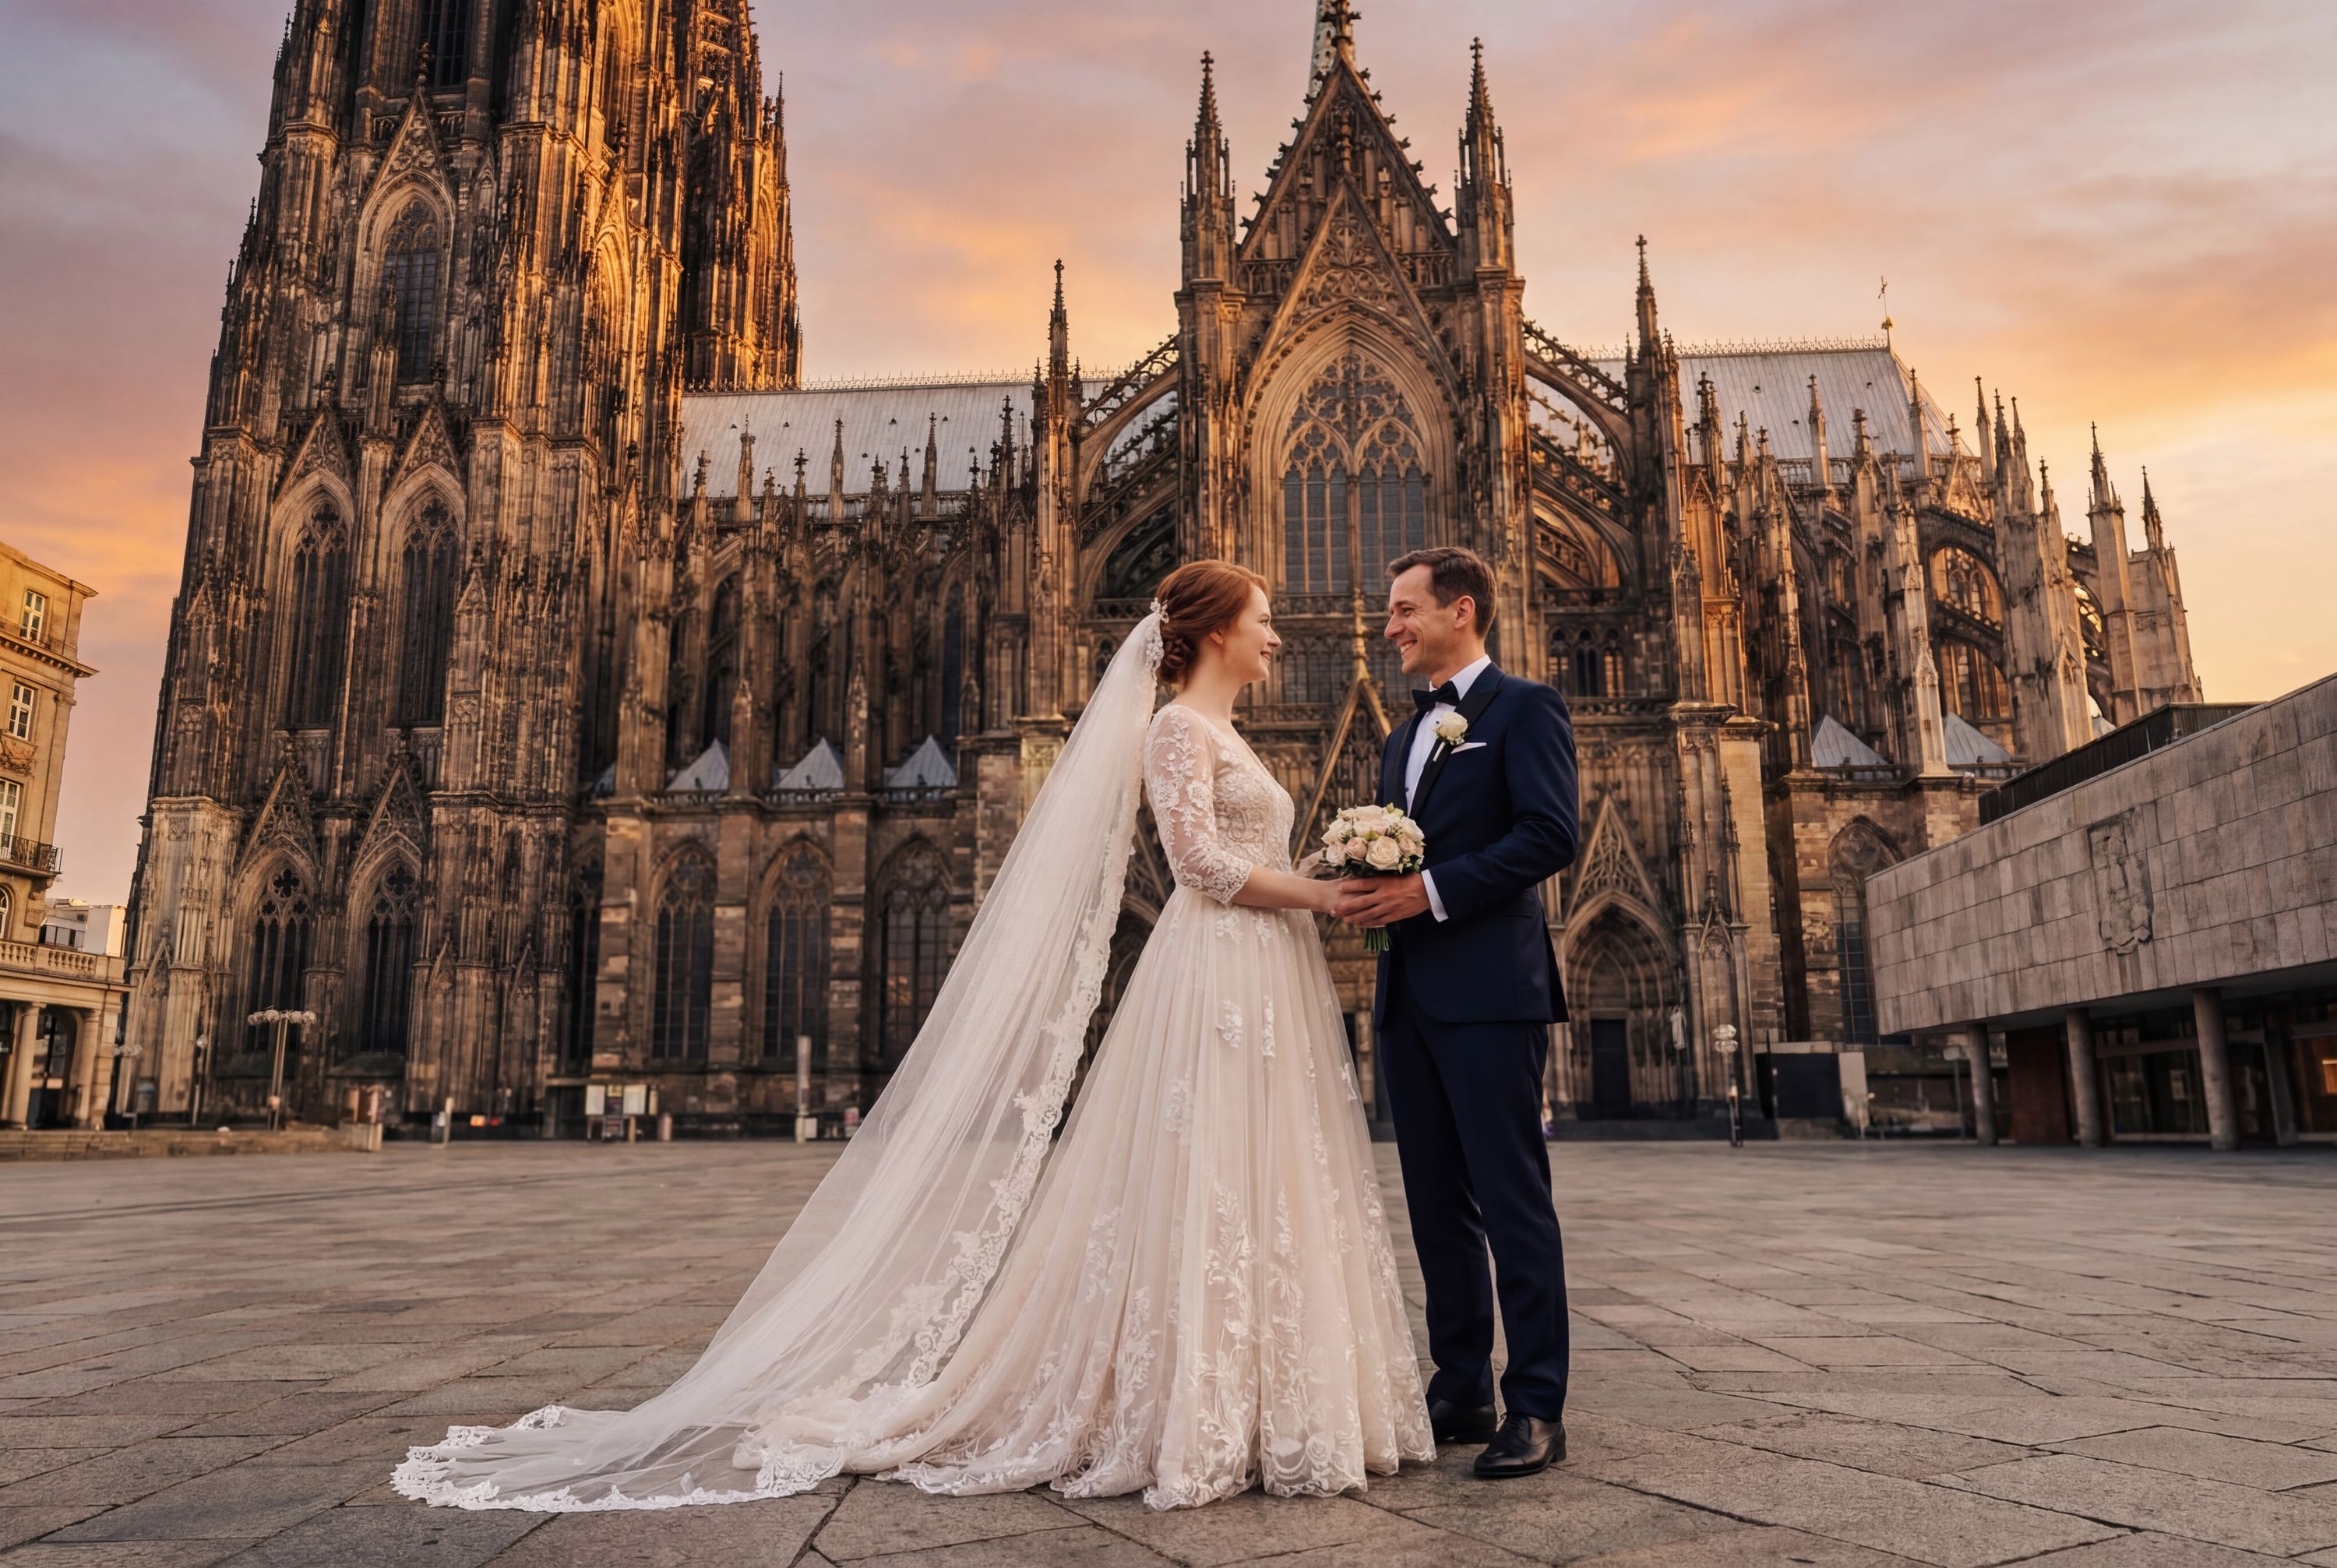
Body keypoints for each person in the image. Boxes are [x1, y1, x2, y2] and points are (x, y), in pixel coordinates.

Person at [393, 561, 1432, 1513]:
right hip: (1218, 966)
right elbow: (1199, 864)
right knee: (1199, 1178)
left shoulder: (1230, 729)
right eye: (1261, 622)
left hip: (1263, 970)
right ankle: (1183, 1406)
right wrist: (1331, 894)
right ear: (1211, 633)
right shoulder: (1173, 730)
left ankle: (1266, 1397)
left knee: (1264, 1183)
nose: (1280, 638)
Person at [1338, 544, 1580, 1479]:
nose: (1389, 625)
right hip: (1410, 994)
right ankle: (1462, 1383)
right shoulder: (1404, 735)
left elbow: (1548, 835)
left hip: (1489, 991)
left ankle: (1537, 1403)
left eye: (1403, 610)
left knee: (1513, 1200)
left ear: (1462, 611)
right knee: (1437, 1206)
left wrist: (1429, 891)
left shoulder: (1526, 709)